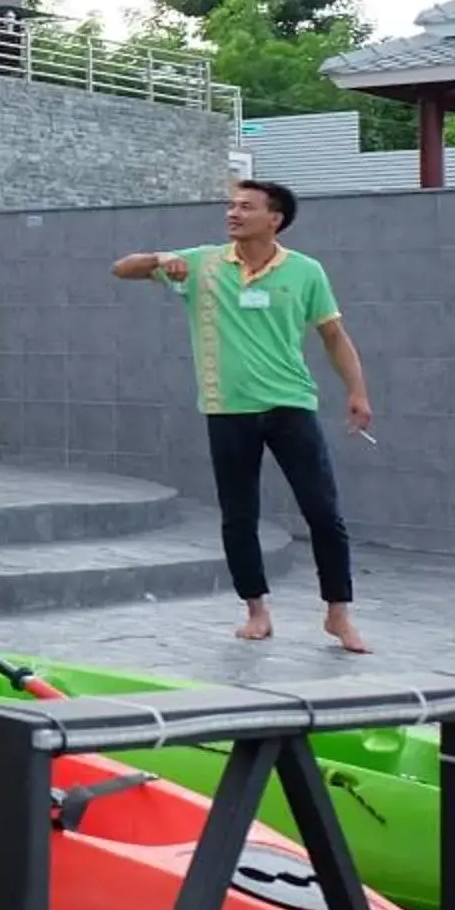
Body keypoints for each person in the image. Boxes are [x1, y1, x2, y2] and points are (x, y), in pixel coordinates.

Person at [112, 180, 373, 652]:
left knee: (324, 512)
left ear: (274, 218)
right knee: (239, 516)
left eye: (245, 207)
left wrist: (357, 392)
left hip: (291, 404)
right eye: (230, 206)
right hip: (226, 408)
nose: (233, 213)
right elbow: (121, 268)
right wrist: (157, 260)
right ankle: (256, 610)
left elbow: (333, 335)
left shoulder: (305, 271)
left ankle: (338, 613)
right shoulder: (202, 264)